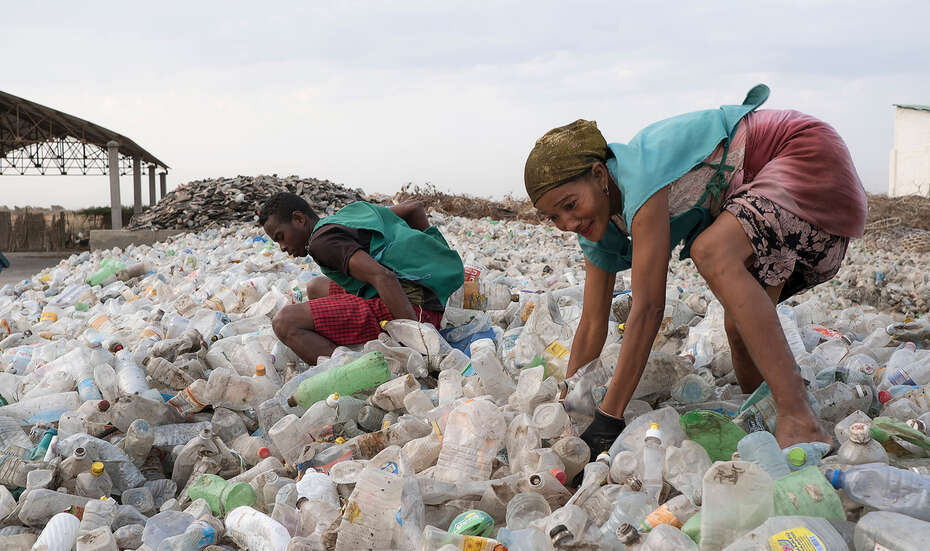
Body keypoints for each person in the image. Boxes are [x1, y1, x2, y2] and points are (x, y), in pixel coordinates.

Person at [524, 84, 867, 452]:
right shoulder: (598, 225)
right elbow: (592, 323)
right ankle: (766, 422)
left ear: (598, 174)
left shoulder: (638, 177)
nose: (568, 222)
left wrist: (609, 417)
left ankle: (799, 416)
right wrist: (570, 404)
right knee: (740, 328)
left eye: (570, 204)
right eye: (553, 217)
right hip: (757, 195)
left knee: (712, 251)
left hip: (803, 154)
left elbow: (648, 307)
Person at [259, 192, 464, 364]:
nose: (283, 247)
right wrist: (434, 260)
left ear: (299, 219)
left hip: (415, 310)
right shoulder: (347, 216)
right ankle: (345, 342)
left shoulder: (322, 243)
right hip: (426, 297)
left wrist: (419, 342)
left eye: (280, 237)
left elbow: (384, 277)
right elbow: (415, 208)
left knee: (285, 322)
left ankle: (350, 370)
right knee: (315, 287)